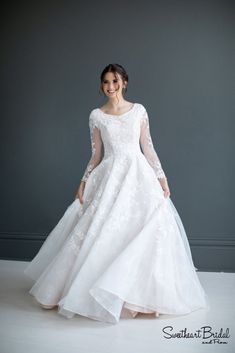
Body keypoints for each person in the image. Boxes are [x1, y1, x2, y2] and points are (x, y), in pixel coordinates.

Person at [24, 63, 210, 324]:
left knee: (147, 230)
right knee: (103, 231)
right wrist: (84, 180)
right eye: (105, 82)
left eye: (115, 81)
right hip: (110, 176)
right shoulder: (96, 116)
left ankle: (144, 296)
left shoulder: (139, 111)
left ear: (124, 82)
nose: (110, 87)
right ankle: (88, 291)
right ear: (102, 85)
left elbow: (148, 147)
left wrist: (162, 178)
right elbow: (96, 155)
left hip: (138, 175)